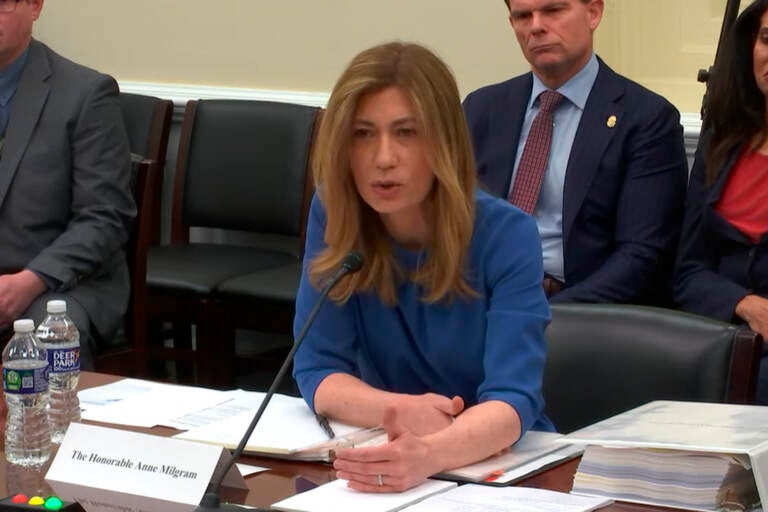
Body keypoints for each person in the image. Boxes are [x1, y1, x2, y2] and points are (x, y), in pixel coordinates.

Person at [292, 42, 552, 493]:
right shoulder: (334, 214)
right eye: (363, 134)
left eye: (406, 132)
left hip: (495, 469)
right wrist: (399, 411)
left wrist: (428, 455)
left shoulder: (508, 235)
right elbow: (316, 368)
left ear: (443, 141)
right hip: (387, 452)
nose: (383, 157)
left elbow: (514, 401)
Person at [463, 0, 688, 303]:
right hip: (482, 301)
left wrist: (540, 316)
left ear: (593, 13)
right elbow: (448, 221)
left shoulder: (646, 119)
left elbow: (642, 257)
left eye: (553, 10)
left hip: (578, 315)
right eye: (523, 16)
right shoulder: (482, 109)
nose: (536, 26)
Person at [0, 0, 135, 369]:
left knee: (49, 337)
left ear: (35, 6)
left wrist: (29, 281)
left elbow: (104, 218)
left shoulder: (85, 94)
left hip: (58, 284)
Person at [675, 0, 768, 404]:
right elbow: (687, 271)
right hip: (721, 332)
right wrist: (743, 304)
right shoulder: (722, 134)